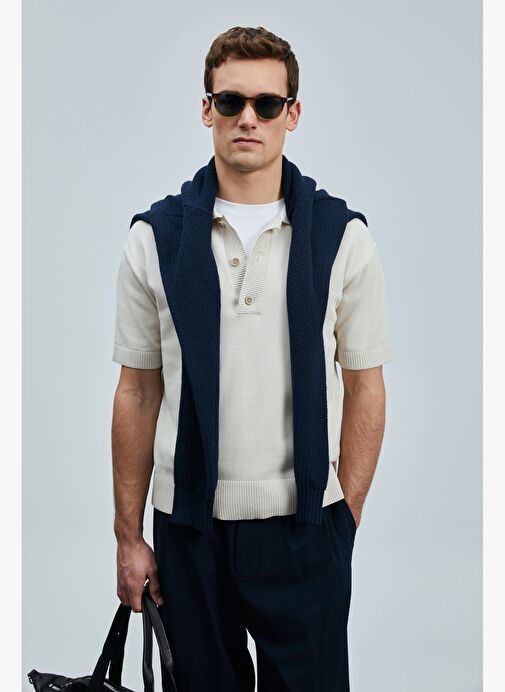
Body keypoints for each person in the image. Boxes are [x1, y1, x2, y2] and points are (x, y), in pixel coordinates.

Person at [111, 25, 394, 692]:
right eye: (230, 101)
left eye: (266, 104)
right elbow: (137, 391)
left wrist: (343, 520)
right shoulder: (154, 239)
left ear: (291, 114)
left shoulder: (342, 238)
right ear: (205, 108)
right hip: (188, 529)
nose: (248, 118)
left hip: (305, 526)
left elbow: (366, 385)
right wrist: (129, 535)